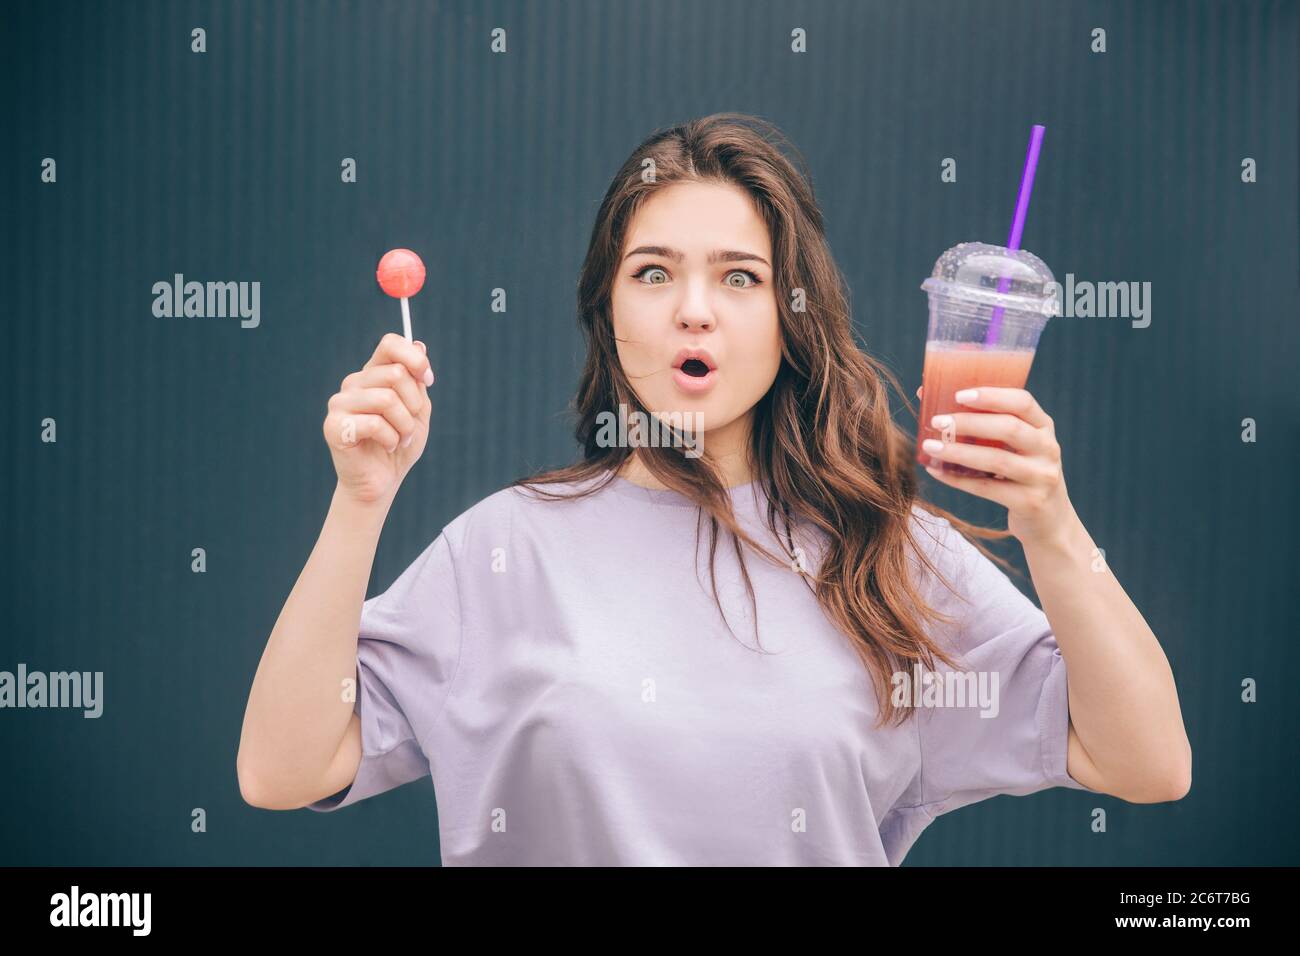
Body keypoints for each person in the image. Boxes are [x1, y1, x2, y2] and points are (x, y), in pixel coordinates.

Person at [236, 113, 1191, 866]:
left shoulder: (893, 553)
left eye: (740, 278)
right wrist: (359, 500)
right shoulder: (505, 547)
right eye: (653, 273)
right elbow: (282, 770)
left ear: (791, 318)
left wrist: (1052, 528)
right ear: (607, 314)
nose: (694, 308)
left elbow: (1146, 761)